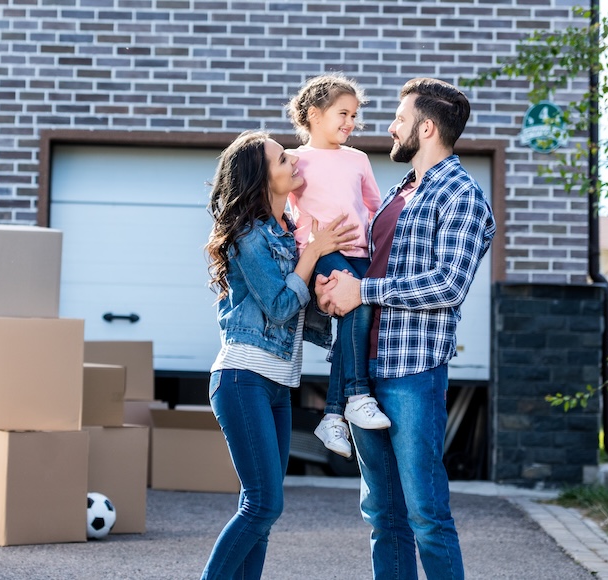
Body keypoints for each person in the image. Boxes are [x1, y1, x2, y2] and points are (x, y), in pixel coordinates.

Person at [316, 78, 496, 579]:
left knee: (426, 514)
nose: (390, 127)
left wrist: (363, 293)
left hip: (412, 371)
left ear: (428, 126)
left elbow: (447, 285)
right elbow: (366, 267)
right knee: (382, 514)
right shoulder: (399, 191)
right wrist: (334, 288)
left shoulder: (461, 194)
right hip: (363, 374)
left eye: (400, 118)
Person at [202, 130, 357, 580]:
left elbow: (301, 311)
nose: (294, 162)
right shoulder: (248, 236)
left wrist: (330, 292)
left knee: (261, 515)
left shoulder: (286, 233)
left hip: (278, 385)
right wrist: (312, 255)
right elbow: (280, 304)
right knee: (263, 504)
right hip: (242, 378)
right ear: (260, 177)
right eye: (282, 159)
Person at [285, 73, 391, 462]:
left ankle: (332, 415)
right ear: (314, 115)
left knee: (356, 317)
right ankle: (357, 395)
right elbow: (277, 200)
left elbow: (374, 208)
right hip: (322, 252)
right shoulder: (295, 160)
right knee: (357, 306)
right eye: (342, 113)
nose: (350, 122)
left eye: (354, 116)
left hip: (359, 252)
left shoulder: (358, 159)